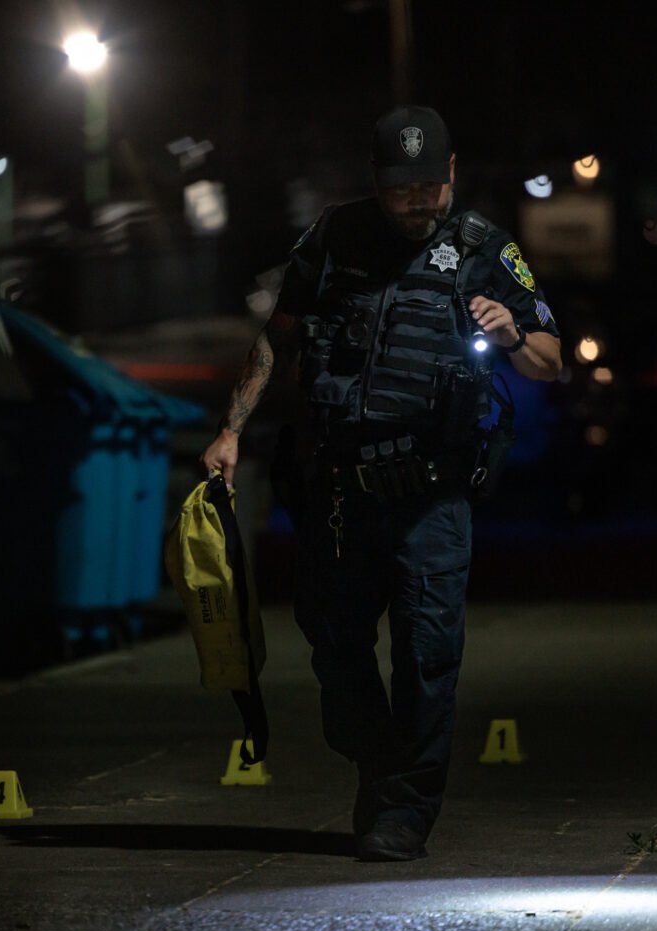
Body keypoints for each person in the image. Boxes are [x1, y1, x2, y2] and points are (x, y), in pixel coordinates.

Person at [199, 105, 562, 861]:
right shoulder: (334, 238)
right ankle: (377, 758)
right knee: (333, 644)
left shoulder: (484, 249)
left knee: (429, 656)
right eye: (403, 189)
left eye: (431, 184)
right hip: (339, 491)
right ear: (377, 182)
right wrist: (233, 428)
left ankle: (405, 807)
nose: (419, 200)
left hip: (431, 495)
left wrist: (513, 335)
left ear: (451, 173)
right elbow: (280, 333)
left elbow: (552, 360)